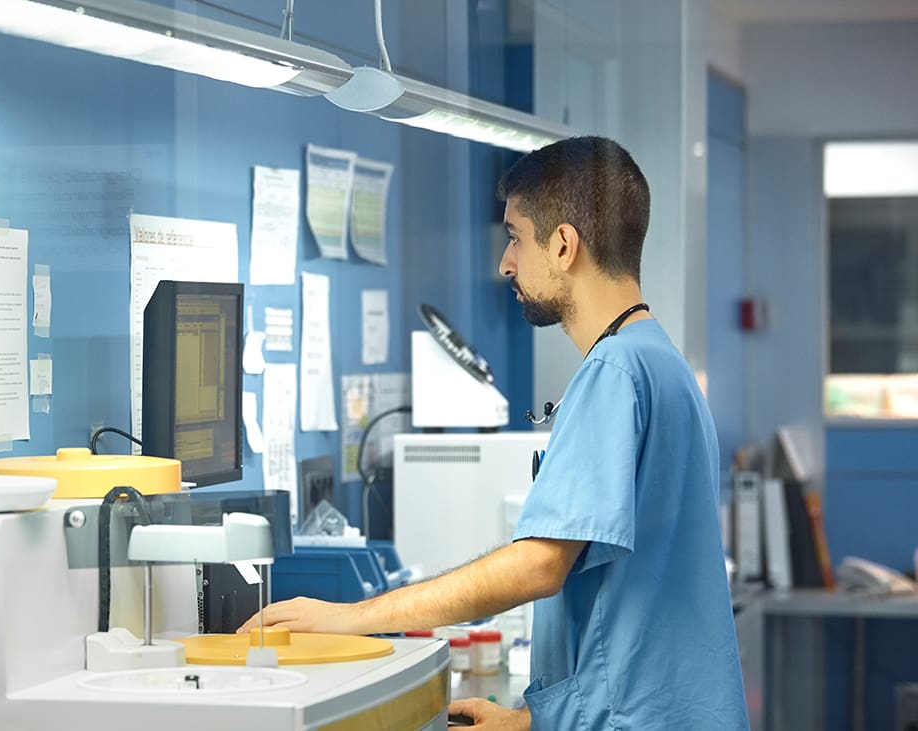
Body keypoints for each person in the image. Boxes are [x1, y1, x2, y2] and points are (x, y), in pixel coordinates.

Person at [238, 136, 749, 730]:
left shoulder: (613, 373)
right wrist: (532, 722)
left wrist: (350, 617)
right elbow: (638, 604)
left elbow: (537, 565)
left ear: (563, 245)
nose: (505, 263)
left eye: (515, 237)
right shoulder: (661, 364)